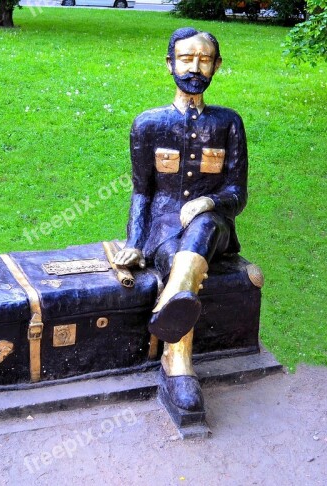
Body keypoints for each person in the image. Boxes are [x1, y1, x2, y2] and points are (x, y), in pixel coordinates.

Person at [113, 27, 248, 412]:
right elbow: (142, 192)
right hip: (162, 227)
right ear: (170, 63)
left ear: (217, 66)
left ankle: (170, 325)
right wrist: (135, 244)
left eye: (204, 59)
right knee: (174, 260)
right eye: (186, 58)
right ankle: (176, 357)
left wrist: (209, 201)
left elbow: (237, 195)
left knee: (203, 227)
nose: (195, 67)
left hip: (214, 225)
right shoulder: (148, 124)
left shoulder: (228, 123)